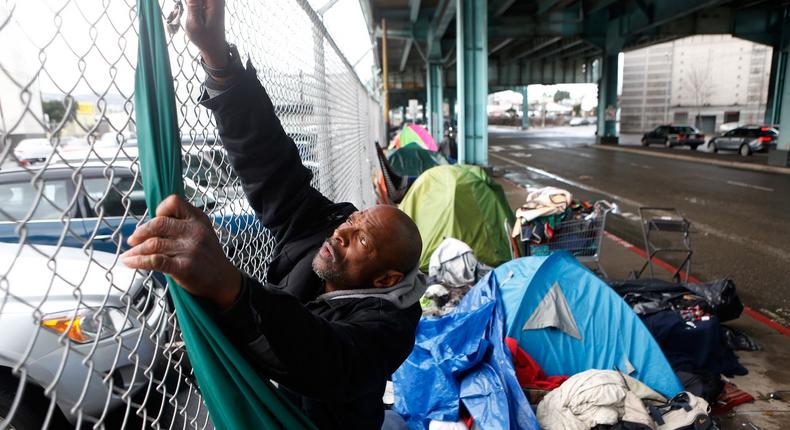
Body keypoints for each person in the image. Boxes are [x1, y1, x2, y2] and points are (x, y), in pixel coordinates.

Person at [121, 1, 426, 428]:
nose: (342, 232)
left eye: (362, 240)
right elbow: (272, 167)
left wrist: (229, 285)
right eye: (350, 222)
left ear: (385, 280)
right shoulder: (326, 229)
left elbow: (326, 357)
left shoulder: (392, 324)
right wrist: (219, 62)